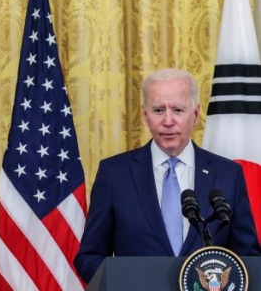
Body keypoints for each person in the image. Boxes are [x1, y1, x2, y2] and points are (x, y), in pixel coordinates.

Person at [74, 68, 261, 283]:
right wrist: (125, 281)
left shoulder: (228, 174)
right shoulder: (114, 174)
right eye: (158, 110)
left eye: (178, 110)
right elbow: (89, 257)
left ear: (195, 115)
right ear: (145, 115)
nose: (168, 121)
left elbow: (249, 258)